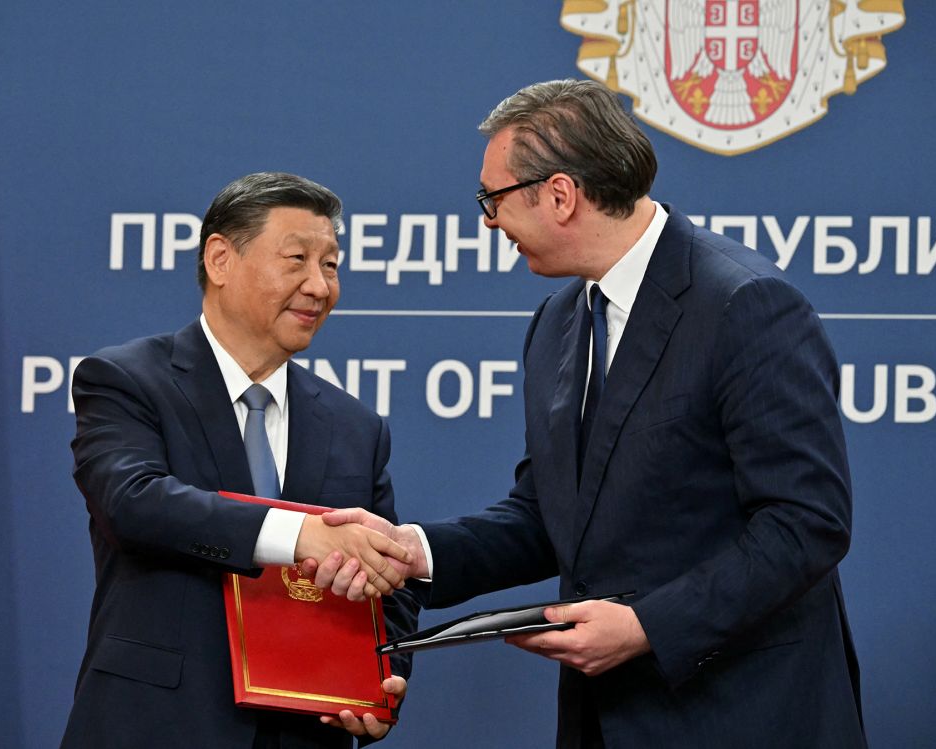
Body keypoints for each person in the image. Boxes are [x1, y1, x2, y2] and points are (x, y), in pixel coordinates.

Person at [311, 80, 866, 748]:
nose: (488, 221)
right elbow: (547, 516)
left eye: (493, 198)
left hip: (742, 716)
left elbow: (805, 524)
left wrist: (645, 627)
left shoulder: (744, 305)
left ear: (561, 194)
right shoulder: (556, 324)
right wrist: (412, 551)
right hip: (602, 721)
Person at [61, 172, 420, 748]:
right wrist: (299, 534)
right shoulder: (127, 380)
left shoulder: (356, 427)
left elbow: (386, 587)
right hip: (155, 727)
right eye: (297, 258)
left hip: (306, 734)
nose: (320, 286)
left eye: (331, 265)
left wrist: (379, 681)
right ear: (221, 259)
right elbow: (133, 502)